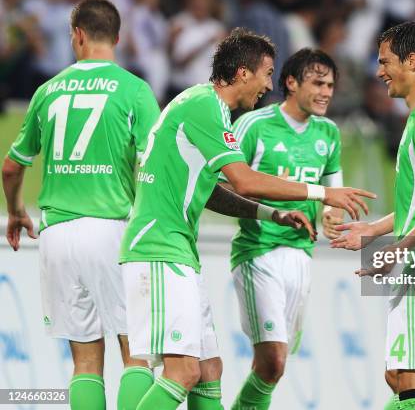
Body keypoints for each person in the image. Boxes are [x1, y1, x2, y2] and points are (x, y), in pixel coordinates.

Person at [118, 27, 376, 410]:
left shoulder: (207, 106)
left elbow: (214, 192)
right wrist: (322, 192)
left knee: (210, 370)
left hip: (177, 251)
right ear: (242, 73)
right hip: (158, 249)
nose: (268, 85)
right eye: (266, 74)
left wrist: (271, 214)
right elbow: (244, 179)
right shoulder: (204, 105)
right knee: (184, 373)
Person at [2, 0, 160, 410]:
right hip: (112, 231)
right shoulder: (134, 90)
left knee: (86, 363)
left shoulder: (47, 91)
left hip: (57, 235)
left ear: (77, 35)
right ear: (119, 38)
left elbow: (10, 167)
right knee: (137, 354)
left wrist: (17, 210)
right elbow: (156, 166)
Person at [331, 21, 415, 410]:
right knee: (401, 377)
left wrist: (398, 250)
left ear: (412, 60)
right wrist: (375, 229)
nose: (378, 71)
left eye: (385, 61)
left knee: (412, 378)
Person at [222, 48, 344, 410]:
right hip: (258, 253)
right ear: (291, 83)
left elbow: (332, 192)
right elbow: (222, 183)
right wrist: (270, 202)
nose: (326, 92)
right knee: (273, 358)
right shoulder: (253, 125)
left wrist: (331, 215)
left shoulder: (329, 133)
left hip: (302, 258)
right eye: (318, 83)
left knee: (272, 366)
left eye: (331, 85)